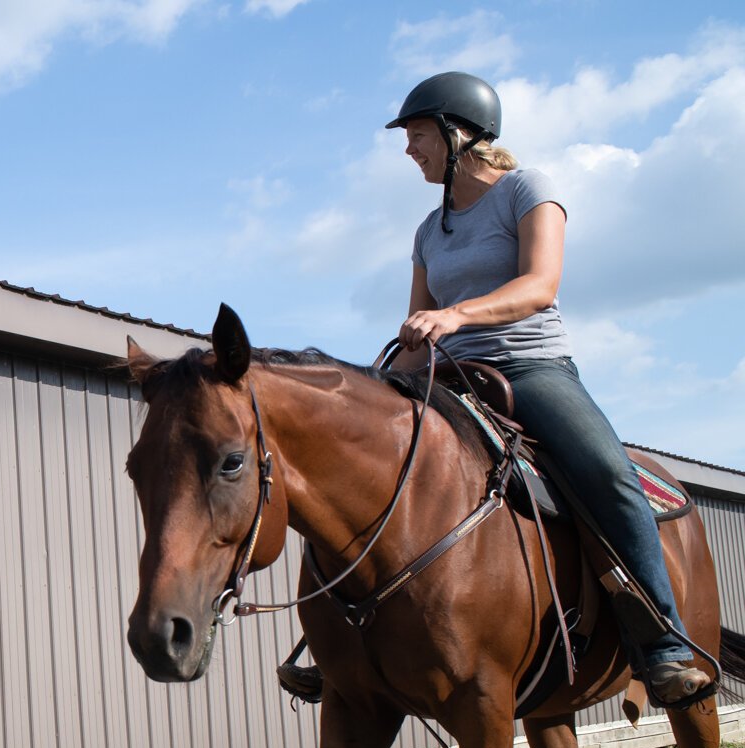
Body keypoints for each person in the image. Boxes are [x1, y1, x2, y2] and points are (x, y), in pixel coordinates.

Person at [282, 71, 708, 708]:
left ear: (459, 134)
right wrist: (382, 382)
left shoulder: (527, 191)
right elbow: (419, 321)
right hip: (448, 378)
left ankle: (665, 646)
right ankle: (336, 647)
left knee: (608, 475)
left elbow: (540, 286)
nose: (409, 151)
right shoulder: (430, 229)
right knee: (370, 468)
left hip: (531, 369)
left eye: (419, 136)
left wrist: (457, 315)